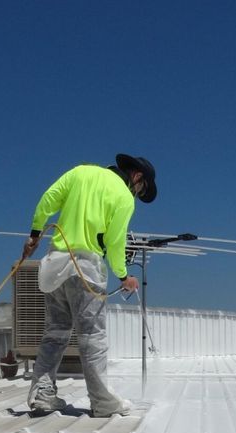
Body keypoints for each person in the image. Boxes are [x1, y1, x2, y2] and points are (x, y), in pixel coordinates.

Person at [21, 153, 157, 416]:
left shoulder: (80, 172)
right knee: (92, 337)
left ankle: (42, 393)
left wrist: (35, 233)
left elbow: (48, 200)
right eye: (141, 189)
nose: (138, 193)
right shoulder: (123, 197)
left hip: (54, 265)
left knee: (55, 334)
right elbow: (116, 242)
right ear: (137, 176)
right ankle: (102, 402)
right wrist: (123, 276)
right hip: (86, 269)